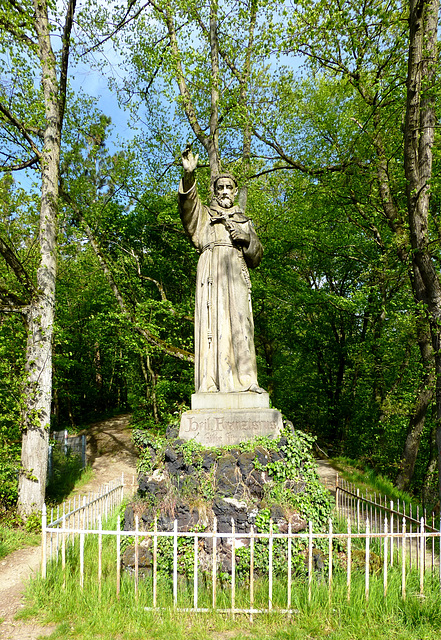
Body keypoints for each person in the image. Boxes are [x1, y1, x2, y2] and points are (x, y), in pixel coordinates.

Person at [179, 146, 265, 394]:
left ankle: (247, 381)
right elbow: (188, 208)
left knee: (241, 324)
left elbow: (258, 255)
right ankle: (212, 382)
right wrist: (189, 176)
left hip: (237, 271)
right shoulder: (205, 215)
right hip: (211, 271)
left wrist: (246, 240)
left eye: (229, 187)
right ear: (215, 192)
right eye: (220, 187)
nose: (225, 191)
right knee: (212, 326)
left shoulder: (244, 220)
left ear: (235, 191)